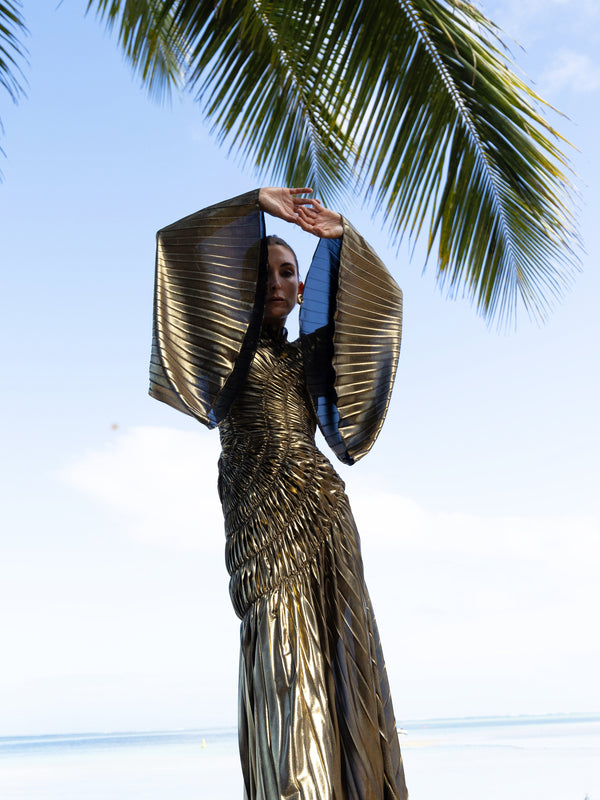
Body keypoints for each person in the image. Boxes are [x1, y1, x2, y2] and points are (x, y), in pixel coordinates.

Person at [150, 187, 408, 800]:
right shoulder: (226, 360)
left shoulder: (308, 357)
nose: (274, 281)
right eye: (260, 271)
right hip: (261, 536)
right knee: (283, 679)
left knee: (344, 670)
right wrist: (256, 203)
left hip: (323, 517)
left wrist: (343, 239)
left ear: (300, 289)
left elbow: (381, 307)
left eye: (287, 272)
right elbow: (174, 249)